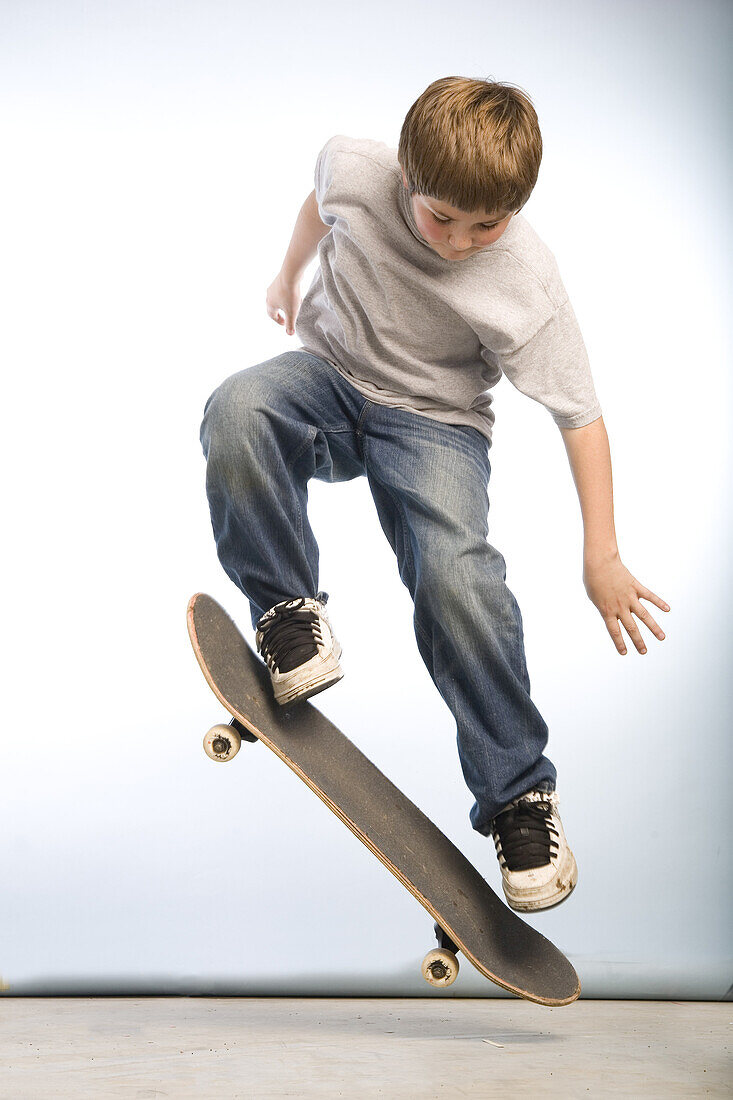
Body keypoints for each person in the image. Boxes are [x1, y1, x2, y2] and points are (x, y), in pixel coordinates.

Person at [198, 76, 670, 912]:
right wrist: (285, 277)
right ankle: (288, 618)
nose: (455, 242)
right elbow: (317, 206)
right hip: (328, 384)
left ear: (515, 209)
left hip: (436, 425)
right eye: (438, 216)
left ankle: (518, 796)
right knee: (238, 407)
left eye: (483, 226)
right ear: (405, 178)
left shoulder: (527, 279)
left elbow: (581, 416)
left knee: (456, 574)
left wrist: (601, 553)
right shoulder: (353, 166)